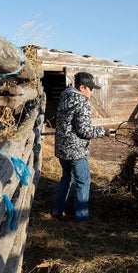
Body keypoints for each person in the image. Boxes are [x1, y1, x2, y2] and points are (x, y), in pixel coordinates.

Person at [53, 71, 110, 222]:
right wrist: (103, 132)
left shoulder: (65, 96)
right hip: (76, 150)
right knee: (83, 181)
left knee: (66, 178)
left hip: (62, 147)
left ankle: (57, 211)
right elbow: (84, 130)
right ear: (82, 87)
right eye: (90, 88)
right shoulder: (82, 102)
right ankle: (81, 218)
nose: (92, 91)